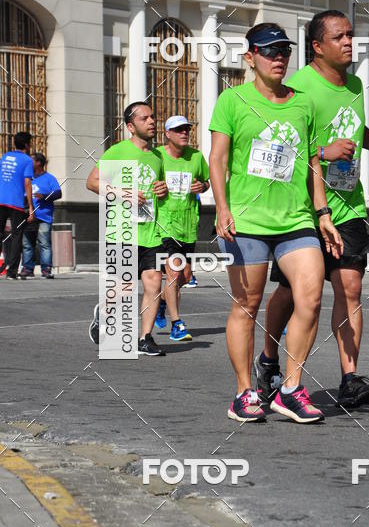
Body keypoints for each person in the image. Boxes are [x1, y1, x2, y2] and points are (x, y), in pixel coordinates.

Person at [256, 10, 369, 408]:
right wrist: (323, 151)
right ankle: (268, 361)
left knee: (350, 288)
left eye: (351, 35)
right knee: (291, 293)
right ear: (317, 46)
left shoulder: (354, 84)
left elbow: (355, 128)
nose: (349, 42)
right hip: (303, 209)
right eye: (340, 37)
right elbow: (280, 147)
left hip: (349, 205)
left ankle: (349, 378)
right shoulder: (297, 87)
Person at [209, 22, 343, 423]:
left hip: (296, 219)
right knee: (246, 306)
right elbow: (217, 159)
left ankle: (290, 388)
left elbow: (313, 164)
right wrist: (220, 207)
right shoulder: (232, 101)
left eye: (284, 50)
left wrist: (323, 214)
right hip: (246, 221)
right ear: (250, 58)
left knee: (312, 298)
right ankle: (244, 393)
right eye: (269, 51)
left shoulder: (303, 104)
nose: (279, 57)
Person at [86, 102, 168, 356]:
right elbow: (91, 183)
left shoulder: (157, 156)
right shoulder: (117, 152)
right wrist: (123, 193)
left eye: (153, 116)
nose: (152, 121)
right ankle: (104, 312)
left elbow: (159, 189)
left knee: (154, 282)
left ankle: (145, 338)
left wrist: (162, 190)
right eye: (145, 118)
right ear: (131, 127)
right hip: (122, 230)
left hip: (150, 230)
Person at [155, 115, 210, 341]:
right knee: (174, 272)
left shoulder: (196, 156)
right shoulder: (156, 156)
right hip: (165, 224)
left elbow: (206, 181)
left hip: (189, 224)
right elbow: (143, 182)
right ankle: (177, 323)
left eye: (187, 129)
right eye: (178, 130)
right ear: (167, 134)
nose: (184, 133)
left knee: (185, 277)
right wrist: (155, 188)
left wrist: (202, 186)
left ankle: (159, 303)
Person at [21, 153, 62, 278]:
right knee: (27, 243)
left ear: (39, 162)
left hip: (44, 216)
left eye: (31, 160)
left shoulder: (49, 178)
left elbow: (58, 193)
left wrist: (44, 196)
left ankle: (46, 269)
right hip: (29, 215)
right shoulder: (28, 178)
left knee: (44, 243)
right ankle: (28, 268)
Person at [0, 131, 34, 280]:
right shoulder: (27, 160)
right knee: (16, 236)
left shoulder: (5, 157)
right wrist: (31, 207)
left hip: (1, 200)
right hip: (16, 203)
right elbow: (27, 182)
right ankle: (11, 272)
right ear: (27, 144)